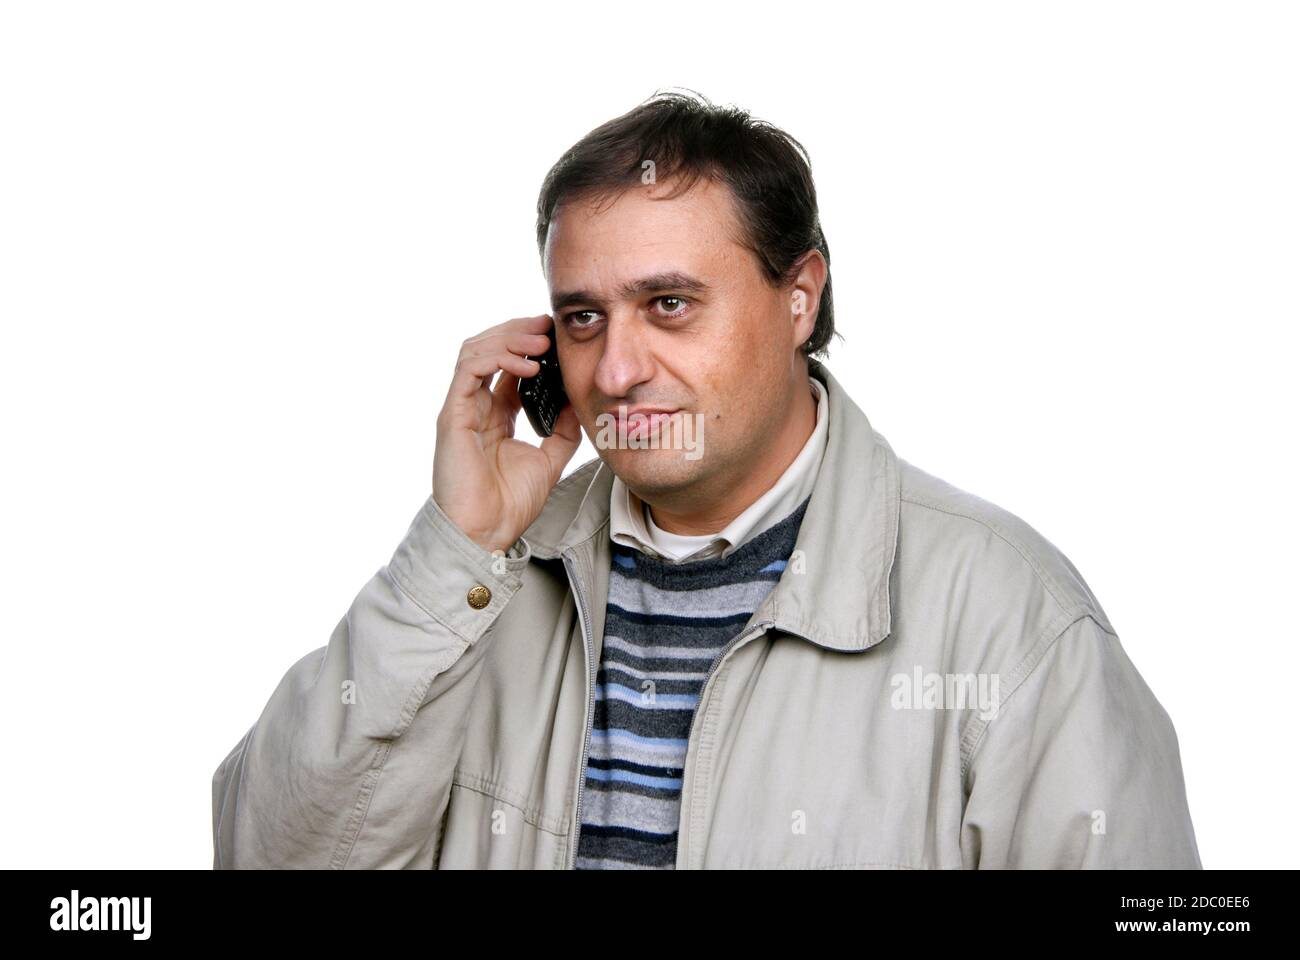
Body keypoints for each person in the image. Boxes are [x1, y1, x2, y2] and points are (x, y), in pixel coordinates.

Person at [212, 90, 1201, 869]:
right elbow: (264, 856)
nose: (614, 369)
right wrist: (455, 549)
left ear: (798, 297)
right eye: (584, 317)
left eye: (669, 304)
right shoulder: (479, 588)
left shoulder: (1013, 619)